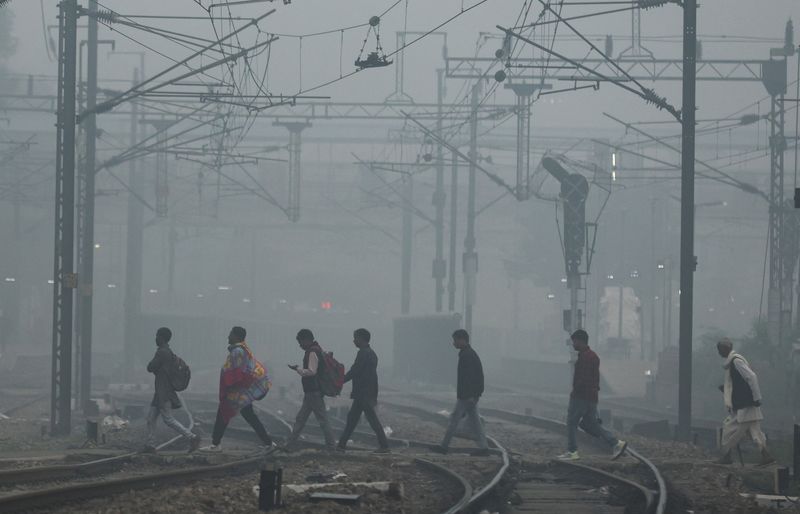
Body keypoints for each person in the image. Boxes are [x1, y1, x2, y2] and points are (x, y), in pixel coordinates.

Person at [199, 326, 273, 453]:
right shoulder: (243, 350)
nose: (228, 337)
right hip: (241, 392)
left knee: (223, 414)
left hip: (237, 392)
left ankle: (215, 445)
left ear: (237, 336)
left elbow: (237, 372)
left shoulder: (237, 351)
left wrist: (229, 386)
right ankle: (269, 443)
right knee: (249, 416)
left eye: (230, 334)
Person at [558, 329, 627, 461]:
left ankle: (572, 452)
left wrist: (575, 391)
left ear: (580, 341)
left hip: (580, 397)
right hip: (592, 397)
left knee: (572, 423)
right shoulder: (594, 356)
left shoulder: (584, 357)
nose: (573, 344)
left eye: (574, 342)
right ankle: (617, 443)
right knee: (592, 424)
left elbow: (582, 379)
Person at [716, 338, 775, 465]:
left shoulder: (736, 361)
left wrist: (757, 397)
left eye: (720, 349)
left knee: (728, 429)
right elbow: (738, 382)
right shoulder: (732, 363)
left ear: (725, 349)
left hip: (745, 404)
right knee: (755, 431)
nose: (719, 352)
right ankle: (766, 455)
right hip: (746, 403)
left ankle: (727, 455)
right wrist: (726, 389)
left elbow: (751, 377)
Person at [144, 327, 200, 453]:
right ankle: (150, 445)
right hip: (160, 392)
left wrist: (153, 367)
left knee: (168, 419)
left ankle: (192, 437)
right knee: (150, 418)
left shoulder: (162, 352)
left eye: (157, 336)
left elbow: (150, 367)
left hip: (164, 392)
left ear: (162, 338)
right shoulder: (168, 352)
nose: (155, 338)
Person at [435, 329, 489, 456]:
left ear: (462, 340)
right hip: (470, 395)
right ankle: (484, 447)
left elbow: (471, 377)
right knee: (476, 423)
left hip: (466, 396)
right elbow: (477, 376)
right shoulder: (468, 354)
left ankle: (443, 447)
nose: (454, 343)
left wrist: (471, 395)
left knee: (454, 419)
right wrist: (476, 394)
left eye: (455, 340)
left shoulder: (467, 355)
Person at [337, 328, 390, 453]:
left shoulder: (363, 353)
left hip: (363, 393)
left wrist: (340, 381)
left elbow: (355, 370)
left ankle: (385, 446)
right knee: (353, 418)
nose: (354, 341)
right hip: (366, 392)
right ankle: (341, 445)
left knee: (370, 419)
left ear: (361, 339)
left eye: (355, 338)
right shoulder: (371, 353)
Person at [284, 329, 336, 449]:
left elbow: (312, 371)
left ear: (306, 340)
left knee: (321, 420)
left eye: (301, 342)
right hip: (311, 392)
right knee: (301, 419)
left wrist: (298, 369)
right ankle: (290, 443)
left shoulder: (312, 352)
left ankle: (331, 446)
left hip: (314, 392)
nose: (300, 345)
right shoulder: (316, 349)